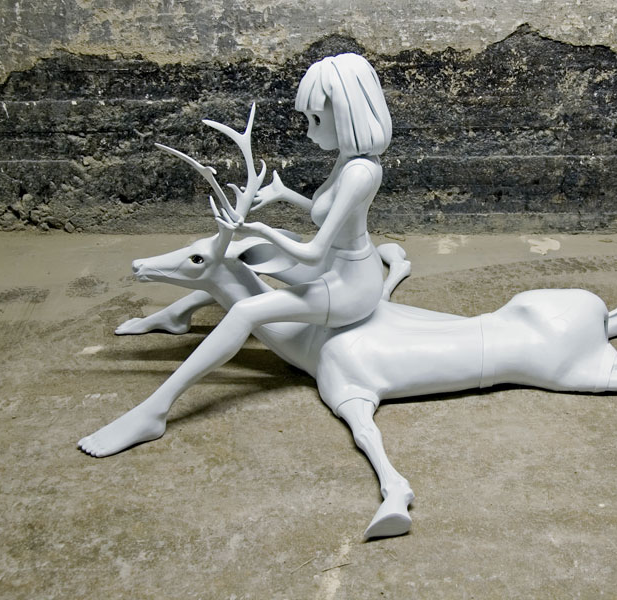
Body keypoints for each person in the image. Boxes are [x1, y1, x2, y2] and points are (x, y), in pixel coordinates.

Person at [79, 53, 393, 457]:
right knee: (236, 256)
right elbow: (329, 214)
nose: (310, 131)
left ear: (349, 115)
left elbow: (314, 252)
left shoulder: (360, 172)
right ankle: (175, 316)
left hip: (349, 285)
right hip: (342, 264)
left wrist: (259, 229)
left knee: (245, 310)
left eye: (317, 119)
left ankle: (154, 412)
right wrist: (283, 195)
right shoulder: (351, 161)